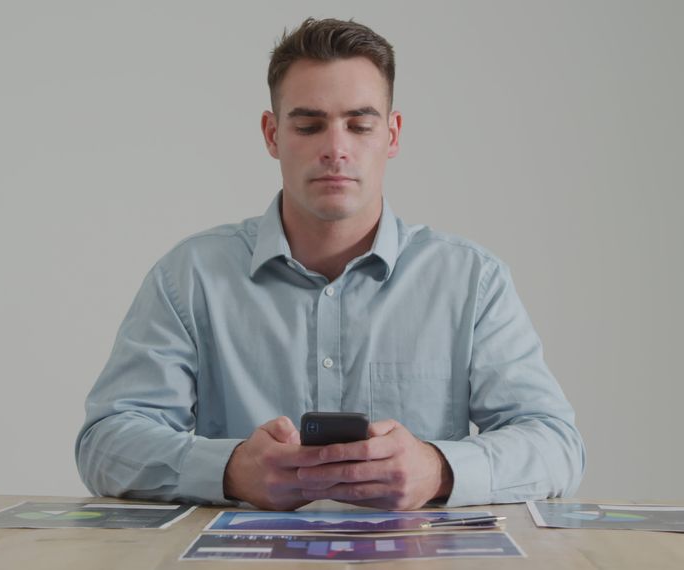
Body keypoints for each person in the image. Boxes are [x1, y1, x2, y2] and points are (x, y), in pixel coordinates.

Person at [76, 17, 584, 511]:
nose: (336, 149)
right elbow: (105, 443)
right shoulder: (189, 277)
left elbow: (557, 445)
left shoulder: (472, 281)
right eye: (309, 125)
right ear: (272, 134)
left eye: (360, 124)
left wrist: (438, 469)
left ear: (393, 133)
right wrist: (230, 468)